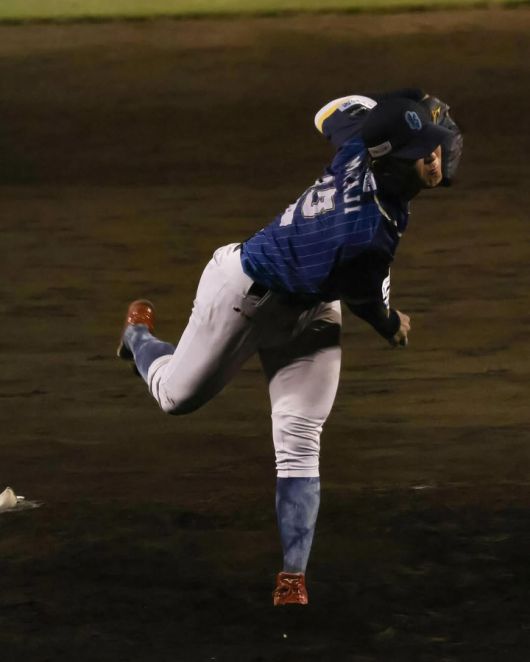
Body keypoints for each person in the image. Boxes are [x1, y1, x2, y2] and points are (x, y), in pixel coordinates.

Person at [117, 90, 463, 606]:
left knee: (300, 434)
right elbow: (367, 300)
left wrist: (389, 116)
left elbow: (330, 113)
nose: (435, 156)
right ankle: (139, 337)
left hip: (311, 307)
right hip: (241, 295)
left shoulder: (361, 146)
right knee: (175, 397)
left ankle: (292, 578)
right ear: (394, 164)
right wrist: (391, 326)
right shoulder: (366, 231)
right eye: (422, 152)